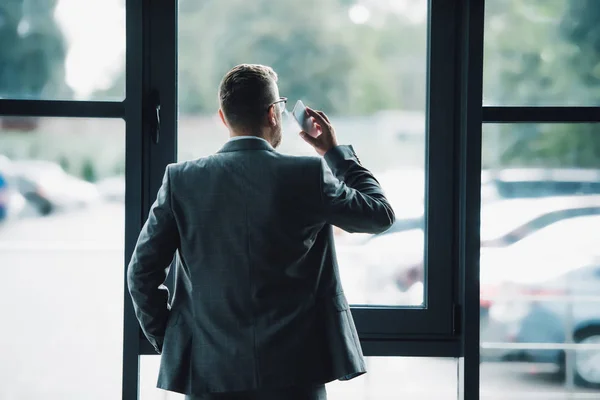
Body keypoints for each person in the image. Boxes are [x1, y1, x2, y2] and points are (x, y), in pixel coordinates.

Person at [127, 64, 395, 400]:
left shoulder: (182, 180)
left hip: (210, 374)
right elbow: (379, 215)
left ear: (223, 118)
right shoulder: (308, 175)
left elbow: (141, 273)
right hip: (297, 375)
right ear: (273, 114)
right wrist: (333, 153)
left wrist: (173, 340)